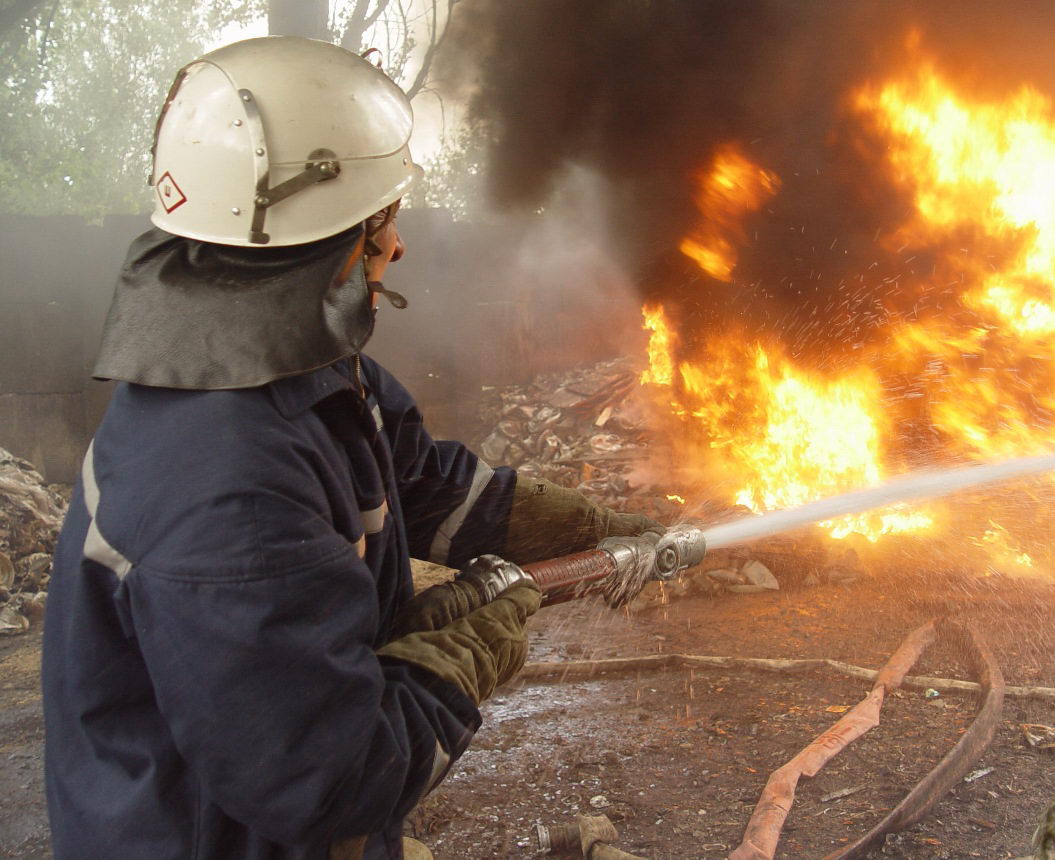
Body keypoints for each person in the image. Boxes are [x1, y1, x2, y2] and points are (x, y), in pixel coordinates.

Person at [41, 36, 661, 860]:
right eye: (381, 224)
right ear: (326, 244)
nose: (395, 246)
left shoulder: (293, 367)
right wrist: (456, 659)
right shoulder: (224, 487)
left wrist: (590, 527)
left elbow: (418, 483)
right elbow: (329, 781)